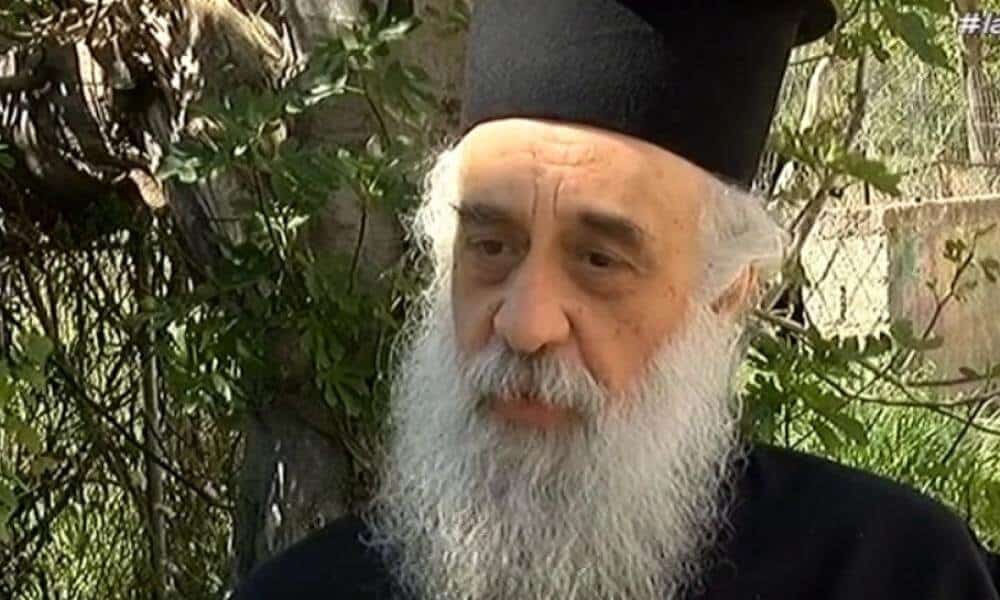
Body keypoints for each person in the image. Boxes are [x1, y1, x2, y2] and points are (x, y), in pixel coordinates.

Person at [233, 1, 1000, 598]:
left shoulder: (897, 576)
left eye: (600, 261)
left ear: (726, 294)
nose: (525, 324)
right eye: (490, 248)